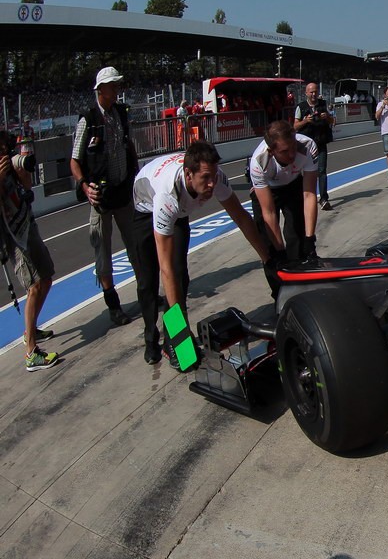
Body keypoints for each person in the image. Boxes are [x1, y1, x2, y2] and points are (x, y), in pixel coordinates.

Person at [131, 142, 273, 367]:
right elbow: (165, 270)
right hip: (145, 206)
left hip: (179, 210)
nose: (211, 184)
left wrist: (268, 259)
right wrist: (183, 337)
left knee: (181, 275)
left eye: (213, 177)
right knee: (148, 280)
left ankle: (172, 342)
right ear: (189, 174)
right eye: (205, 178)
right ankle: (153, 339)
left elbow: (242, 218)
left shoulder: (214, 176)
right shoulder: (167, 198)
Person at [70, 66, 141, 327]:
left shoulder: (121, 114)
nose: (117, 89)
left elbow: (128, 144)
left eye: (117, 84)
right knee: (104, 253)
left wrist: (137, 173)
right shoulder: (87, 119)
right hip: (100, 198)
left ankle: (145, 293)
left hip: (123, 191)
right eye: (113, 85)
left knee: (136, 244)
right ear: (100, 89)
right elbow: (74, 161)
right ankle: (113, 305)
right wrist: (85, 186)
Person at [0, 130, 59, 371]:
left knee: (46, 279)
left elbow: (28, 195)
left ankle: (31, 329)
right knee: (34, 286)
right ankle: (31, 353)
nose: (5, 154)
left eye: (6, 149)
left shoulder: (11, 165)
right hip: (12, 237)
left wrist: (23, 178)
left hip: (27, 225)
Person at [248, 121, 321, 266]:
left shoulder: (308, 146)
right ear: (271, 151)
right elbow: (268, 212)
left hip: (293, 184)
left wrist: (310, 239)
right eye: (284, 151)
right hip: (267, 188)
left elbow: (309, 194)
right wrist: (280, 251)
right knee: (271, 250)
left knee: (298, 239)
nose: (292, 154)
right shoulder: (258, 162)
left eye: (293, 147)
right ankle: (277, 286)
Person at [294, 82, 336, 209]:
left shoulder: (323, 105)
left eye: (315, 92)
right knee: (303, 171)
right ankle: (304, 197)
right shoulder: (300, 107)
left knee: (322, 171)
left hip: (320, 143)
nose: (313, 94)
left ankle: (323, 199)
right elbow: (295, 126)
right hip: (305, 145)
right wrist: (306, 121)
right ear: (306, 93)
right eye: (311, 92)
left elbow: (333, 122)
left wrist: (327, 116)